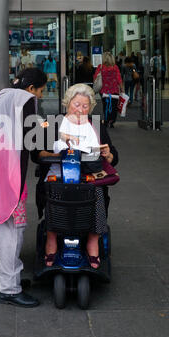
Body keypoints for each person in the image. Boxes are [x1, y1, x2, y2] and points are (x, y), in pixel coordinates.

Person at [0, 68, 47, 308]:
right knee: (12, 232)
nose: (41, 96)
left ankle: (4, 280)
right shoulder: (27, 101)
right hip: (10, 178)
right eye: (42, 91)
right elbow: (32, 144)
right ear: (32, 88)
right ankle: (10, 289)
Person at [31, 83, 119, 269]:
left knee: (97, 194)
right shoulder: (52, 122)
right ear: (67, 103)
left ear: (91, 107)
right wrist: (59, 155)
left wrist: (107, 154)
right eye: (76, 104)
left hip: (88, 179)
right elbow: (36, 153)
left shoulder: (96, 124)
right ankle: (52, 239)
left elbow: (113, 157)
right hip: (59, 176)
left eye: (85, 106)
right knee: (54, 193)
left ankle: (93, 241)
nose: (80, 109)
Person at [93, 52, 123, 128]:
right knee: (114, 106)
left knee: (105, 106)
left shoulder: (100, 67)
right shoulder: (115, 67)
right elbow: (119, 79)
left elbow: (95, 77)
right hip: (114, 90)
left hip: (104, 91)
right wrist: (122, 89)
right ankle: (112, 121)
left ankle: (106, 121)